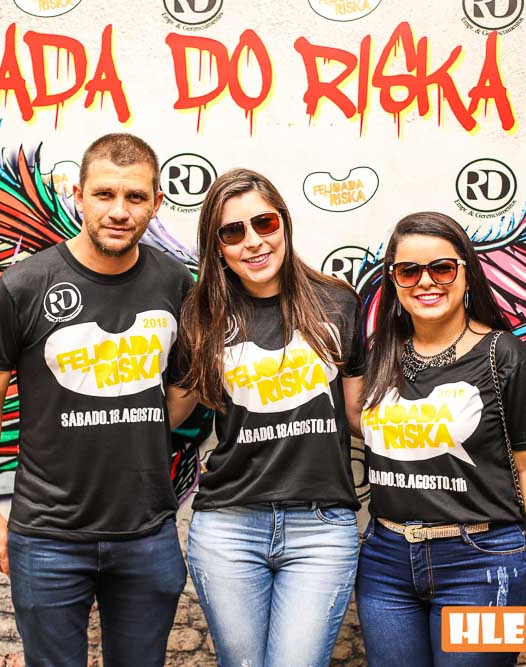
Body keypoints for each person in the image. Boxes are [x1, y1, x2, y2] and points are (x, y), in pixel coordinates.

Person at [0, 134, 196, 667]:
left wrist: (138, 426)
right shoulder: (24, 285)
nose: (119, 211)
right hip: (48, 536)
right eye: (104, 194)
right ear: (79, 195)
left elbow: (184, 384)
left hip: (146, 533)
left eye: (135, 197)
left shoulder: (173, 281)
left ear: (156, 202)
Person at [356, 212, 526, 667]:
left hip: (480, 562)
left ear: (467, 273)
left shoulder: (505, 355)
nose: (425, 282)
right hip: (386, 561)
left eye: (442, 268)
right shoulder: (381, 356)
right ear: (393, 281)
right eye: (408, 271)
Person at [177, 168, 365, 667]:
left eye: (264, 223)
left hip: (321, 528)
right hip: (228, 525)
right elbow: (176, 409)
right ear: (216, 246)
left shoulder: (337, 301)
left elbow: (357, 414)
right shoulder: (201, 315)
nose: (254, 241)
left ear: (284, 222)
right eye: (232, 232)